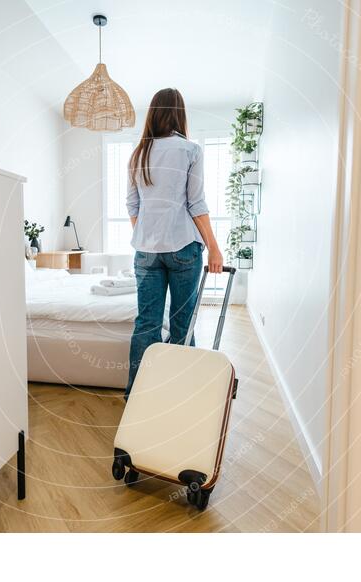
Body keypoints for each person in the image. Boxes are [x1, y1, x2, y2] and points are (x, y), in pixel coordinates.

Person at [125, 88, 223, 398]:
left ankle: (137, 396)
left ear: (153, 113)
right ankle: (177, 395)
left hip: (146, 251)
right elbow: (196, 204)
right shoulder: (190, 150)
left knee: (147, 325)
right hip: (182, 248)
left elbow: (132, 205)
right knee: (182, 323)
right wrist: (215, 248)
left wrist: (149, 235)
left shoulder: (138, 152)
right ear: (179, 113)